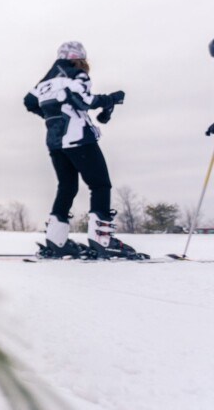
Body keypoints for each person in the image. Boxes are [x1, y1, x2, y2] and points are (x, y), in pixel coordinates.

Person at [23, 41, 145, 259]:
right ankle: (102, 241)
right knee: (100, 185)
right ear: (80, 59)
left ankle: (56, 240)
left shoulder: (45, 82)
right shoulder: (76, 75)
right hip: (78, 138)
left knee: (67, 186)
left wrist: (52, 117)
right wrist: (112, 98)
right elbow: (84, 101)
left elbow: (29, 101)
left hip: (54, 142)